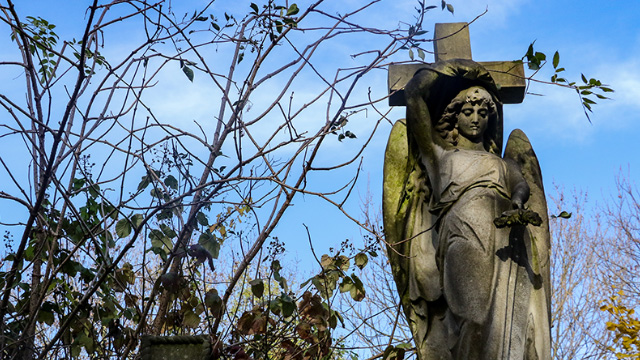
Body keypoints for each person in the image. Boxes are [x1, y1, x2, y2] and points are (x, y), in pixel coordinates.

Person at [384, 59, 550, 359]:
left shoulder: (503, 162)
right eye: (468, 111)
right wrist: (452, 69)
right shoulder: (440, 159)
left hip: (504, 239)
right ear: (453, 116)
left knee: (508, 326)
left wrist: (517, 201)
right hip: (462, 236)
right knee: (470, 316)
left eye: (483, 113)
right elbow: (415, 98)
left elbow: (521, 184)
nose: (476, 119)